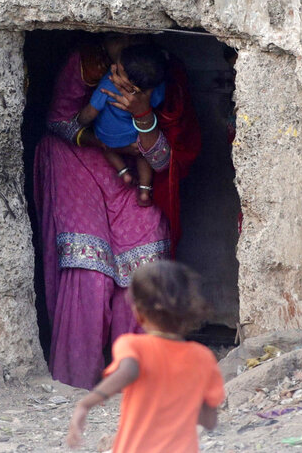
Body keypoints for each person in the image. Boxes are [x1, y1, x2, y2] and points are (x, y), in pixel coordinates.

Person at [34, 35, 201, 388]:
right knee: (89, 263)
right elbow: (59, 124)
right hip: (77, 158)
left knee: (146, 255)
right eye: (115, 37)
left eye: (131, 36)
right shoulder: (86, 64)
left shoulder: (162, 76)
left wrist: (142, 113)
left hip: (133, 169)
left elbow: (162, 161)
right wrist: (107, 139)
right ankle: (76, 378)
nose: (123, 41)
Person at [65, 260, 224, 453]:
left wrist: (85, 403)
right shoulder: (203, 357)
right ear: (189, 312)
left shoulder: (132, 344)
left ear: (138, 313)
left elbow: (130, 370)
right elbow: (209, 421)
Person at [76, 43, 168, 206]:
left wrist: (78, 121)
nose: (112, 67)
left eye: (118, 70)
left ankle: (123, 172)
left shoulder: (108, 85)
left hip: (107, 137)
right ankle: (145, 191)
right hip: (136, 138)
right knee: (142, 155)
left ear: (132, 83)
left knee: (107, 149)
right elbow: (158, 101)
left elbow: (90, 112)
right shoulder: (154, 88)